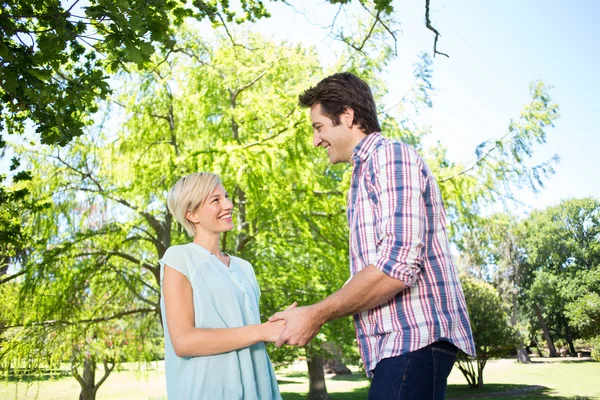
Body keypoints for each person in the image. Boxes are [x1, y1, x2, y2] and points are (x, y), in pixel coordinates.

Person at [269, 72, 476, 399]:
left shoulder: (389, 157)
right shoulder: (364, 172)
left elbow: (398, 266)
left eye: (319, 127)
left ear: (347, 116)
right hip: (399, 347)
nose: (315, 140)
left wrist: (315, 314)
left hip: (414, 339)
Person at [160, 172, 289, 400]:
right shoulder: (180, 258)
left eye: (226, 197)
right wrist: (262, 331)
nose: (228, 205)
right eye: (215, 200)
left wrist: (280, 325)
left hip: (259, 390)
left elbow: (245, 328)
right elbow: (183, 341)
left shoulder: (244, 268)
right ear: (192, 214)